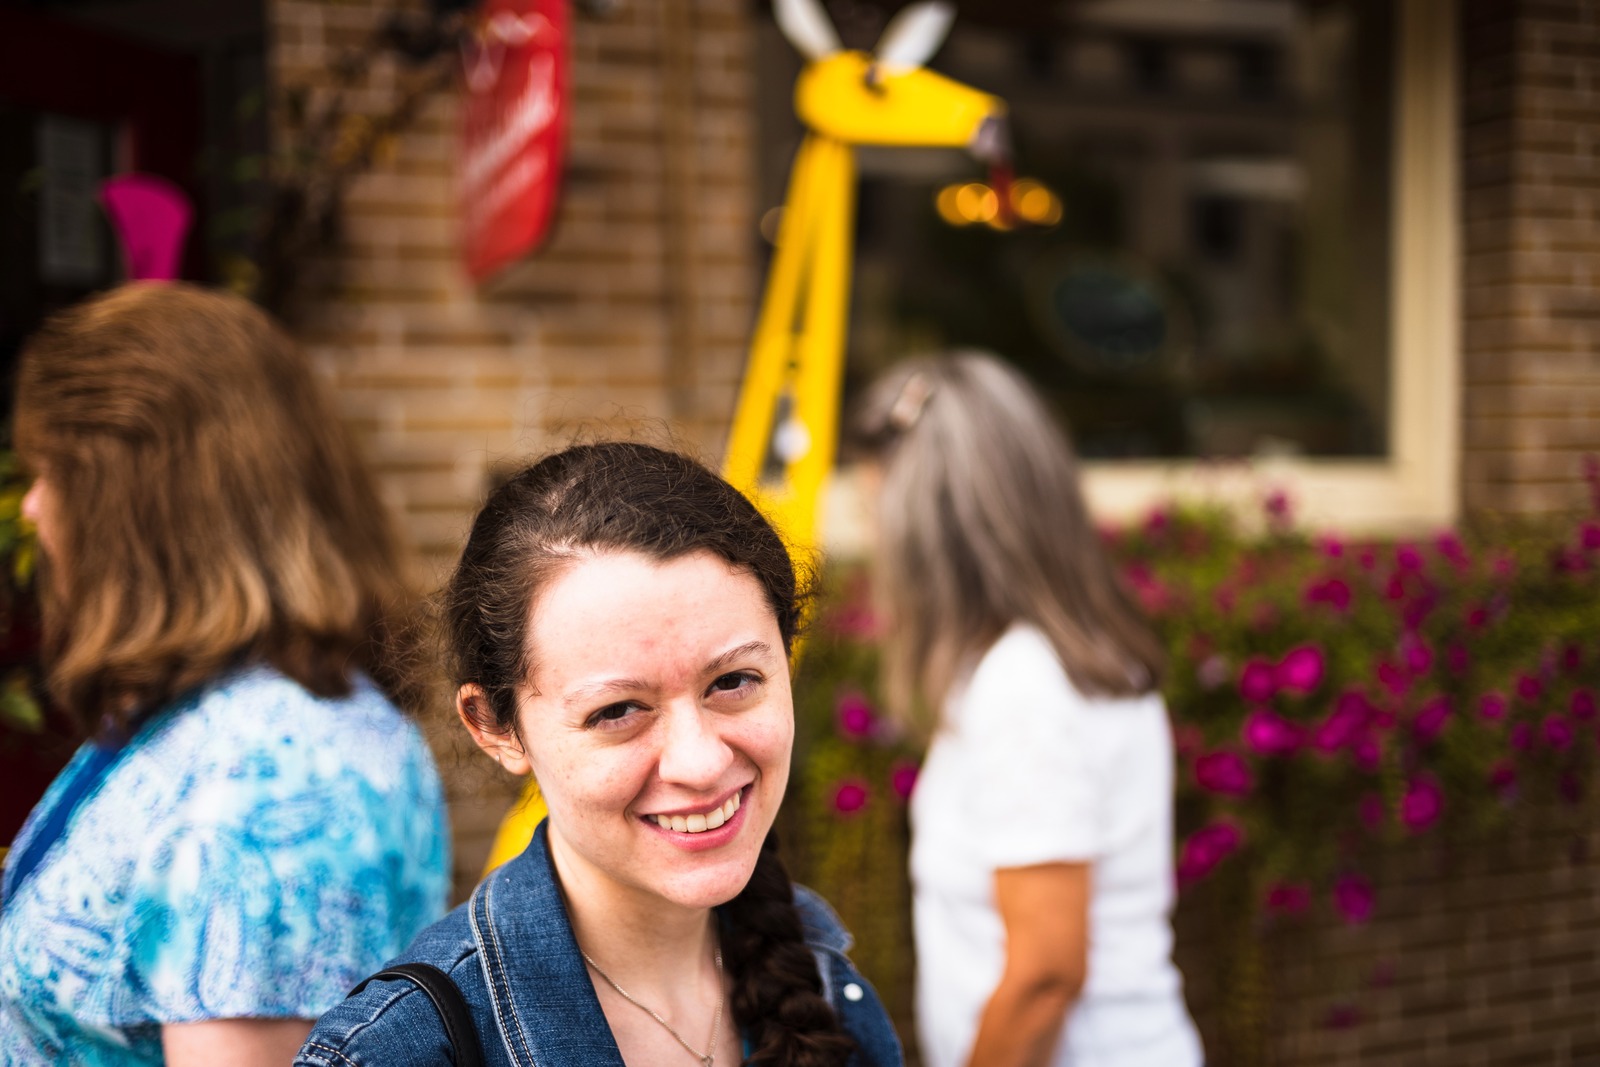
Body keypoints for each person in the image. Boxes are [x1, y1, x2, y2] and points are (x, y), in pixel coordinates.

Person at [297, 441, 902, 1067]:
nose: (700, 763)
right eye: (617, 711)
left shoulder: (827, 980)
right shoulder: (401, 1052)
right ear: (495, 727)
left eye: (733, 682)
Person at [0, 284, 450, 1066]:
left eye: (49, 472)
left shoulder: (271, 773)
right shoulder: (227, 722)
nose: (34, 508)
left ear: (138, 505)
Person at [848, 353, 1203, 1067]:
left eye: (875, 510)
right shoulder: (1045, 658)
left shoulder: (1023, 686)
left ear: (933, 525)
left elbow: (1046, 975)